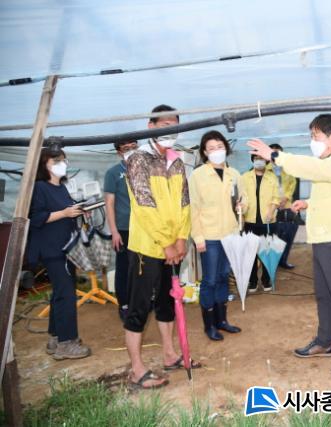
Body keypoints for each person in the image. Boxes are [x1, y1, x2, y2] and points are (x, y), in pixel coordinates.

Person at [248, 114, 331, 378]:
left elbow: (314, 169)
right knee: (324, 295)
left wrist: (275, 156)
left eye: (316, 136)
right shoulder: (330, 162)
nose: (313, 141)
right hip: (322, 239)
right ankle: (324, 342)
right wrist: (308, 203)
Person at [124, 104, 200, 390]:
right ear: (151, 126)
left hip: (173, 246)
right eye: (165, 125)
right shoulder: (138, 159)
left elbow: (184, 203)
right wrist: (166, 242)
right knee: (140, 307)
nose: (171, 131)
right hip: (148, 247)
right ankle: (136, 369)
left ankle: (170, 354)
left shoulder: (176, 161)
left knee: (168, 302)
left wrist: (181, 239)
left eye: (175, 126)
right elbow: (144, 205)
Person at [27, 147, 91, 360]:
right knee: (66, 295)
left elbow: (66, 211)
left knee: (60, 293)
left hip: (66, 247)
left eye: (64, 160)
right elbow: (35, 218)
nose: (62, 164)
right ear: (44, 165)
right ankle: (66, 343)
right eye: (56, 161)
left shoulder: (61, 188)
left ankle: (56, 337)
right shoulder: (39, 187)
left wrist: (78, 210)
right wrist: (64, 213)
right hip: (52, 249)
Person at [189, 130, 243, 341]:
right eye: (211, 148)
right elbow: (194, 208)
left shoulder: (234, 174)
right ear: (204, 152)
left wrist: (242, 205)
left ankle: (222, 321)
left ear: (226, 148)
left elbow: (243, 199)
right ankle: (209, 325)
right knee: (210, 280)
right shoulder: (198, 175)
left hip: (230, 234)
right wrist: (198, 237)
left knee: (223, 277)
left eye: (220, 147)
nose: (216, 151)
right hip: (209, 236)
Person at [104, 139, 138, 321]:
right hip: (124, 228)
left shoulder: (144, 169)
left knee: (141, 266)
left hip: (144, 227)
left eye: (134, 147)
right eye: (126, 149)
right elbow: (109, 203)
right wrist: (114, 231)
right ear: (118, 152)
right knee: (124, 266)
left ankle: (139, 301)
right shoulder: (113, 173)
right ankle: (124, 304)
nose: (131, 151)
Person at [241, 154, 280, 292]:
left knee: (267, 252)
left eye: (261, 158)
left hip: (268, 221)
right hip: (250, 221)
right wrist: (241, 208)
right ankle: (252, 281)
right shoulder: (245, 177)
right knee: (251, 253)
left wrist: (271, 210)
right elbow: (242, 197)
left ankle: (266, 279)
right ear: (252, 160)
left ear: (266, 161)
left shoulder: (272, 177)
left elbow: (276, 197)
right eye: (256, 158)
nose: (259, 161)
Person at [267, 143, 298, 269]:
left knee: (287, 236)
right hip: (271, 208)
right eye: (272, 152)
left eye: (277, 153)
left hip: (287, 206)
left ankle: (283, 260)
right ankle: (272, 262)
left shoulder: (288, 169)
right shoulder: (265, 170)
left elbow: (293, 183)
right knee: (273, 237)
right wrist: (275, 201)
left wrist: (286, 197)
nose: (275, 155)